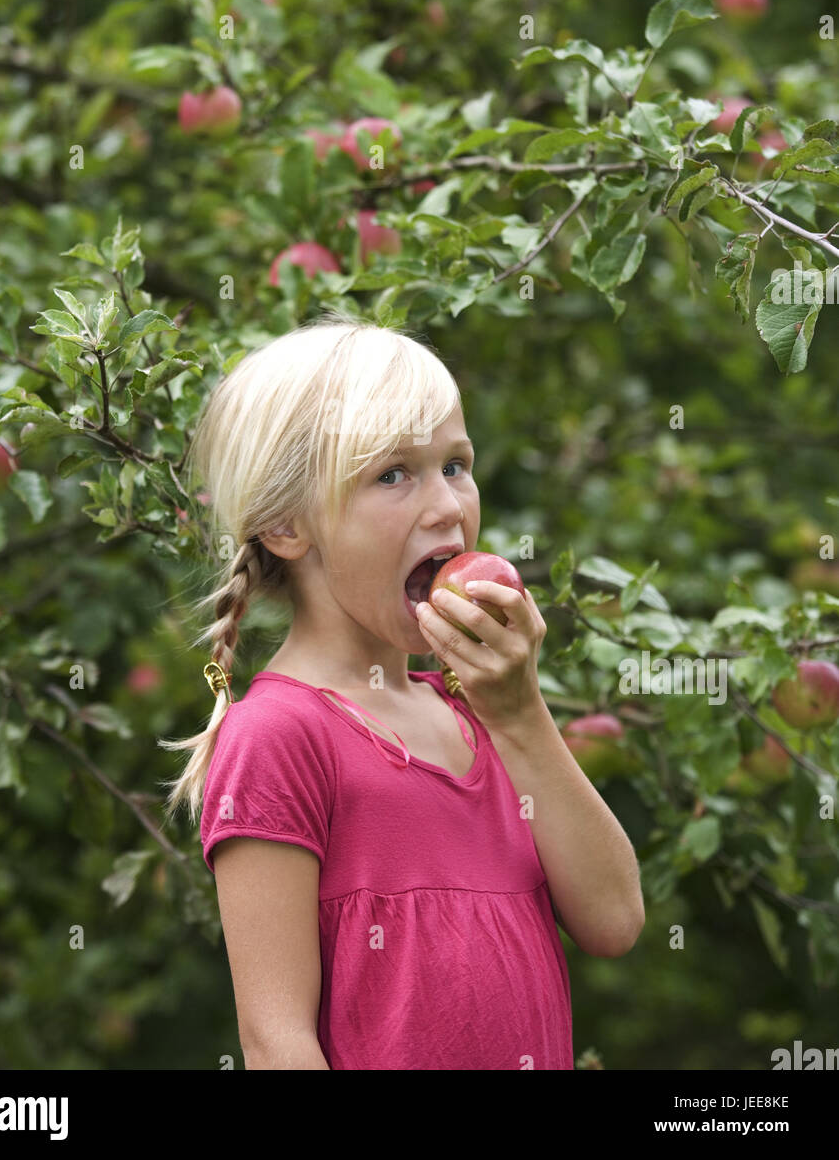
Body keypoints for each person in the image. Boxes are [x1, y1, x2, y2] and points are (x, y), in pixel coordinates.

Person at [159, 309, 644, 1070]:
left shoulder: (475, 716)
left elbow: (614, 919)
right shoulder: (280, 736)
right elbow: (276, 1041)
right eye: (394, 474)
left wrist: (521, 714)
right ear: (287, 525)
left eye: (456, 464)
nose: (450, 506)